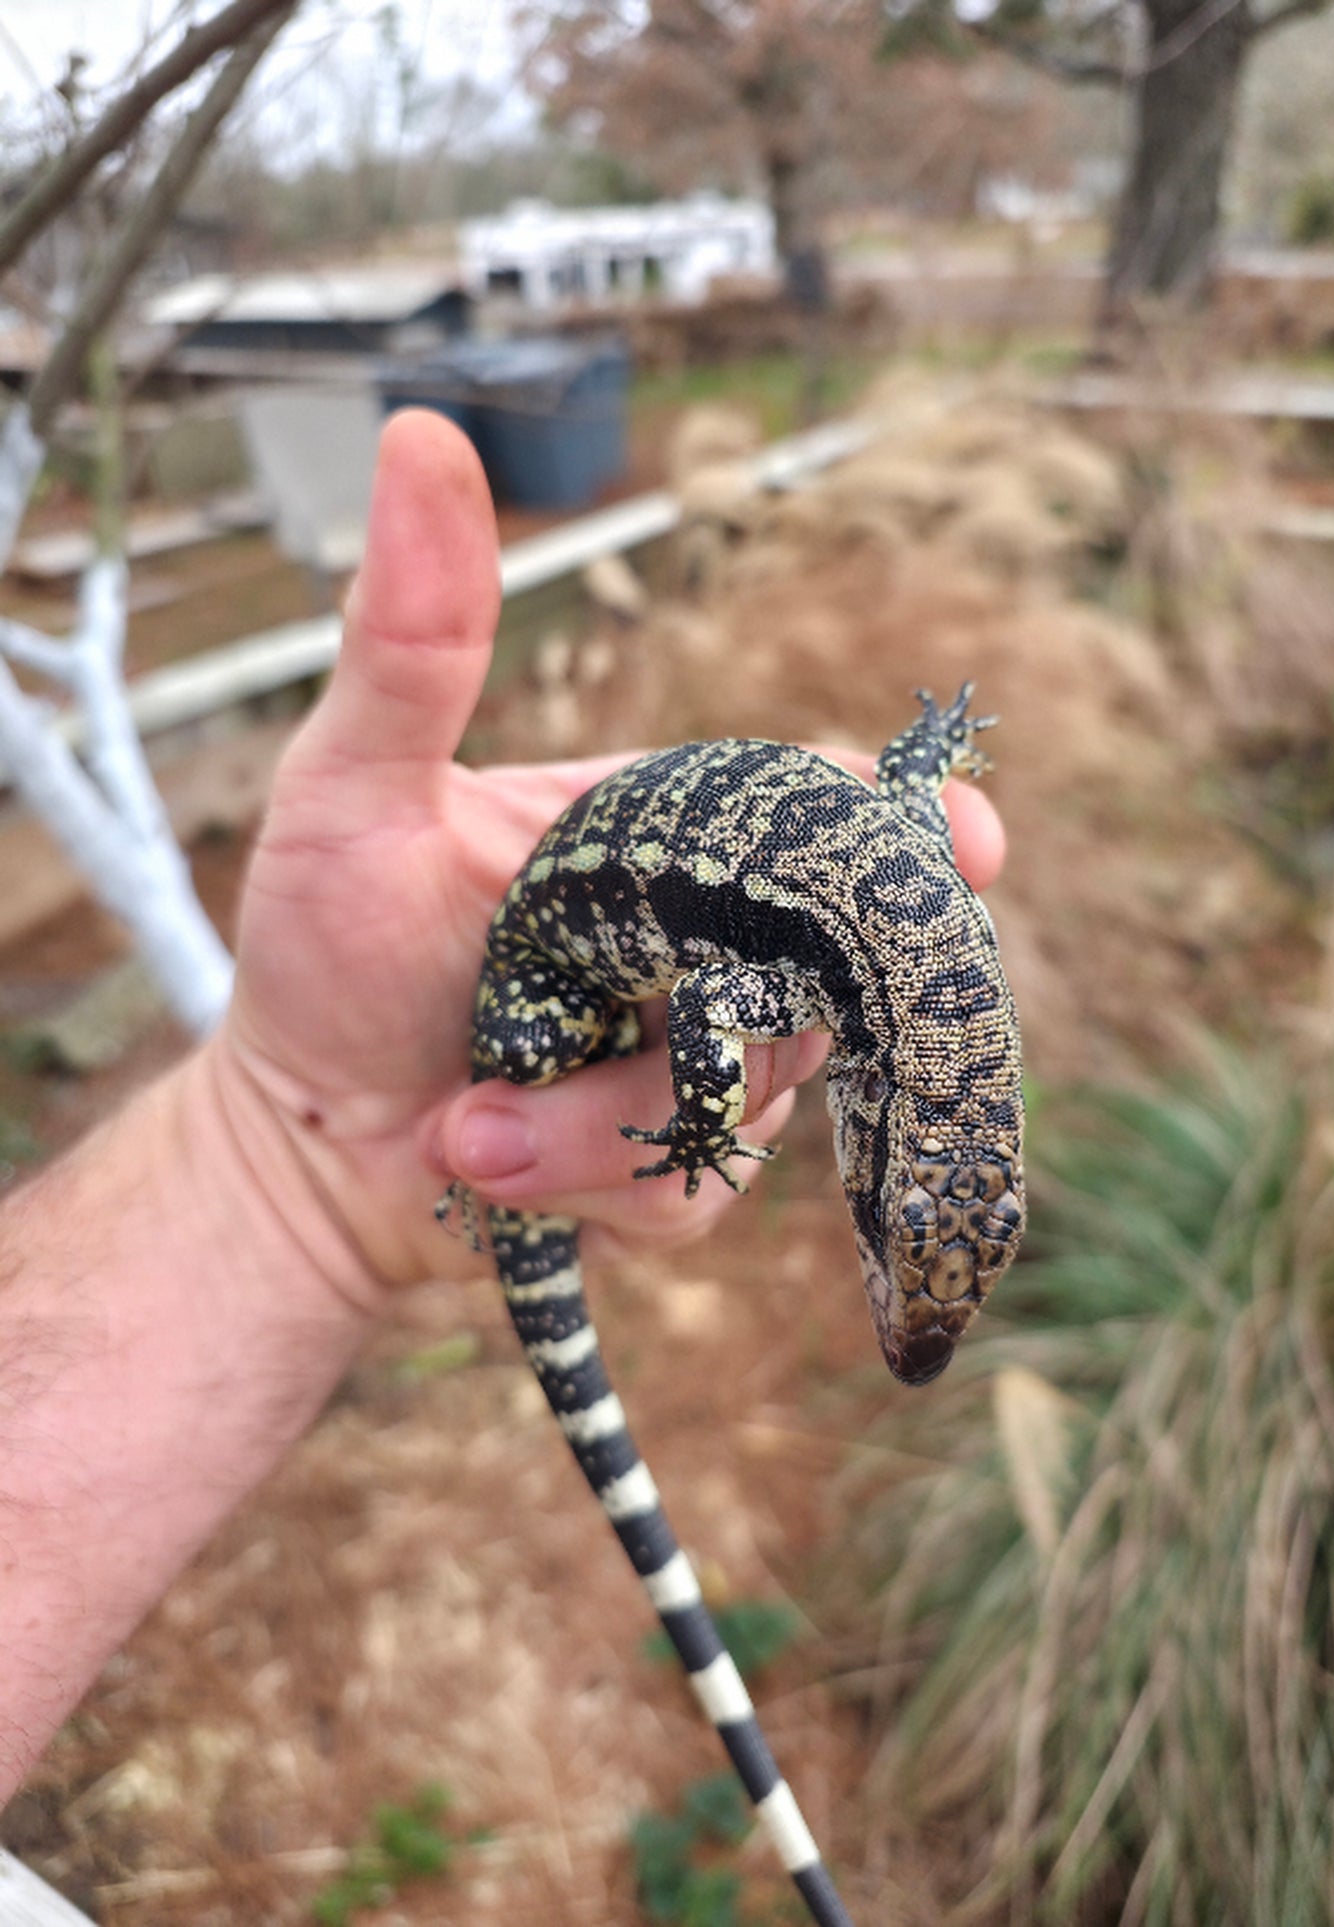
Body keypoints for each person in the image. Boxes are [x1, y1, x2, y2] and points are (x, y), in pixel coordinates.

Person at [0, 410, 1006, 1805]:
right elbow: (711, 1006)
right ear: (884, 1132)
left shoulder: (899, 936)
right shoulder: (880, 963)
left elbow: (892, 804)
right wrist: (704, 1129)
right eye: (884, 1239)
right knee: (606, 1098)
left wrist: (935, 752)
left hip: (618, 944)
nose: (882, 1280)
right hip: (540, 988)